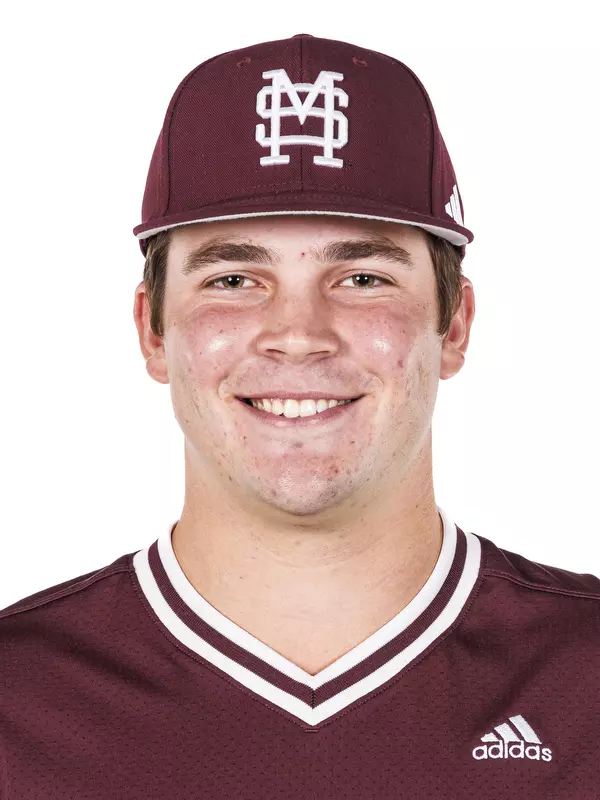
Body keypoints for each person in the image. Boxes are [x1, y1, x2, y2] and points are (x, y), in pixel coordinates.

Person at [1, 32, 598, 799]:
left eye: (361, 275)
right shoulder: (17, 703)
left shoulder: (585, 679)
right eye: (234, 279)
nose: (298, 334)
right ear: (152, 330)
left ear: (454, 326)